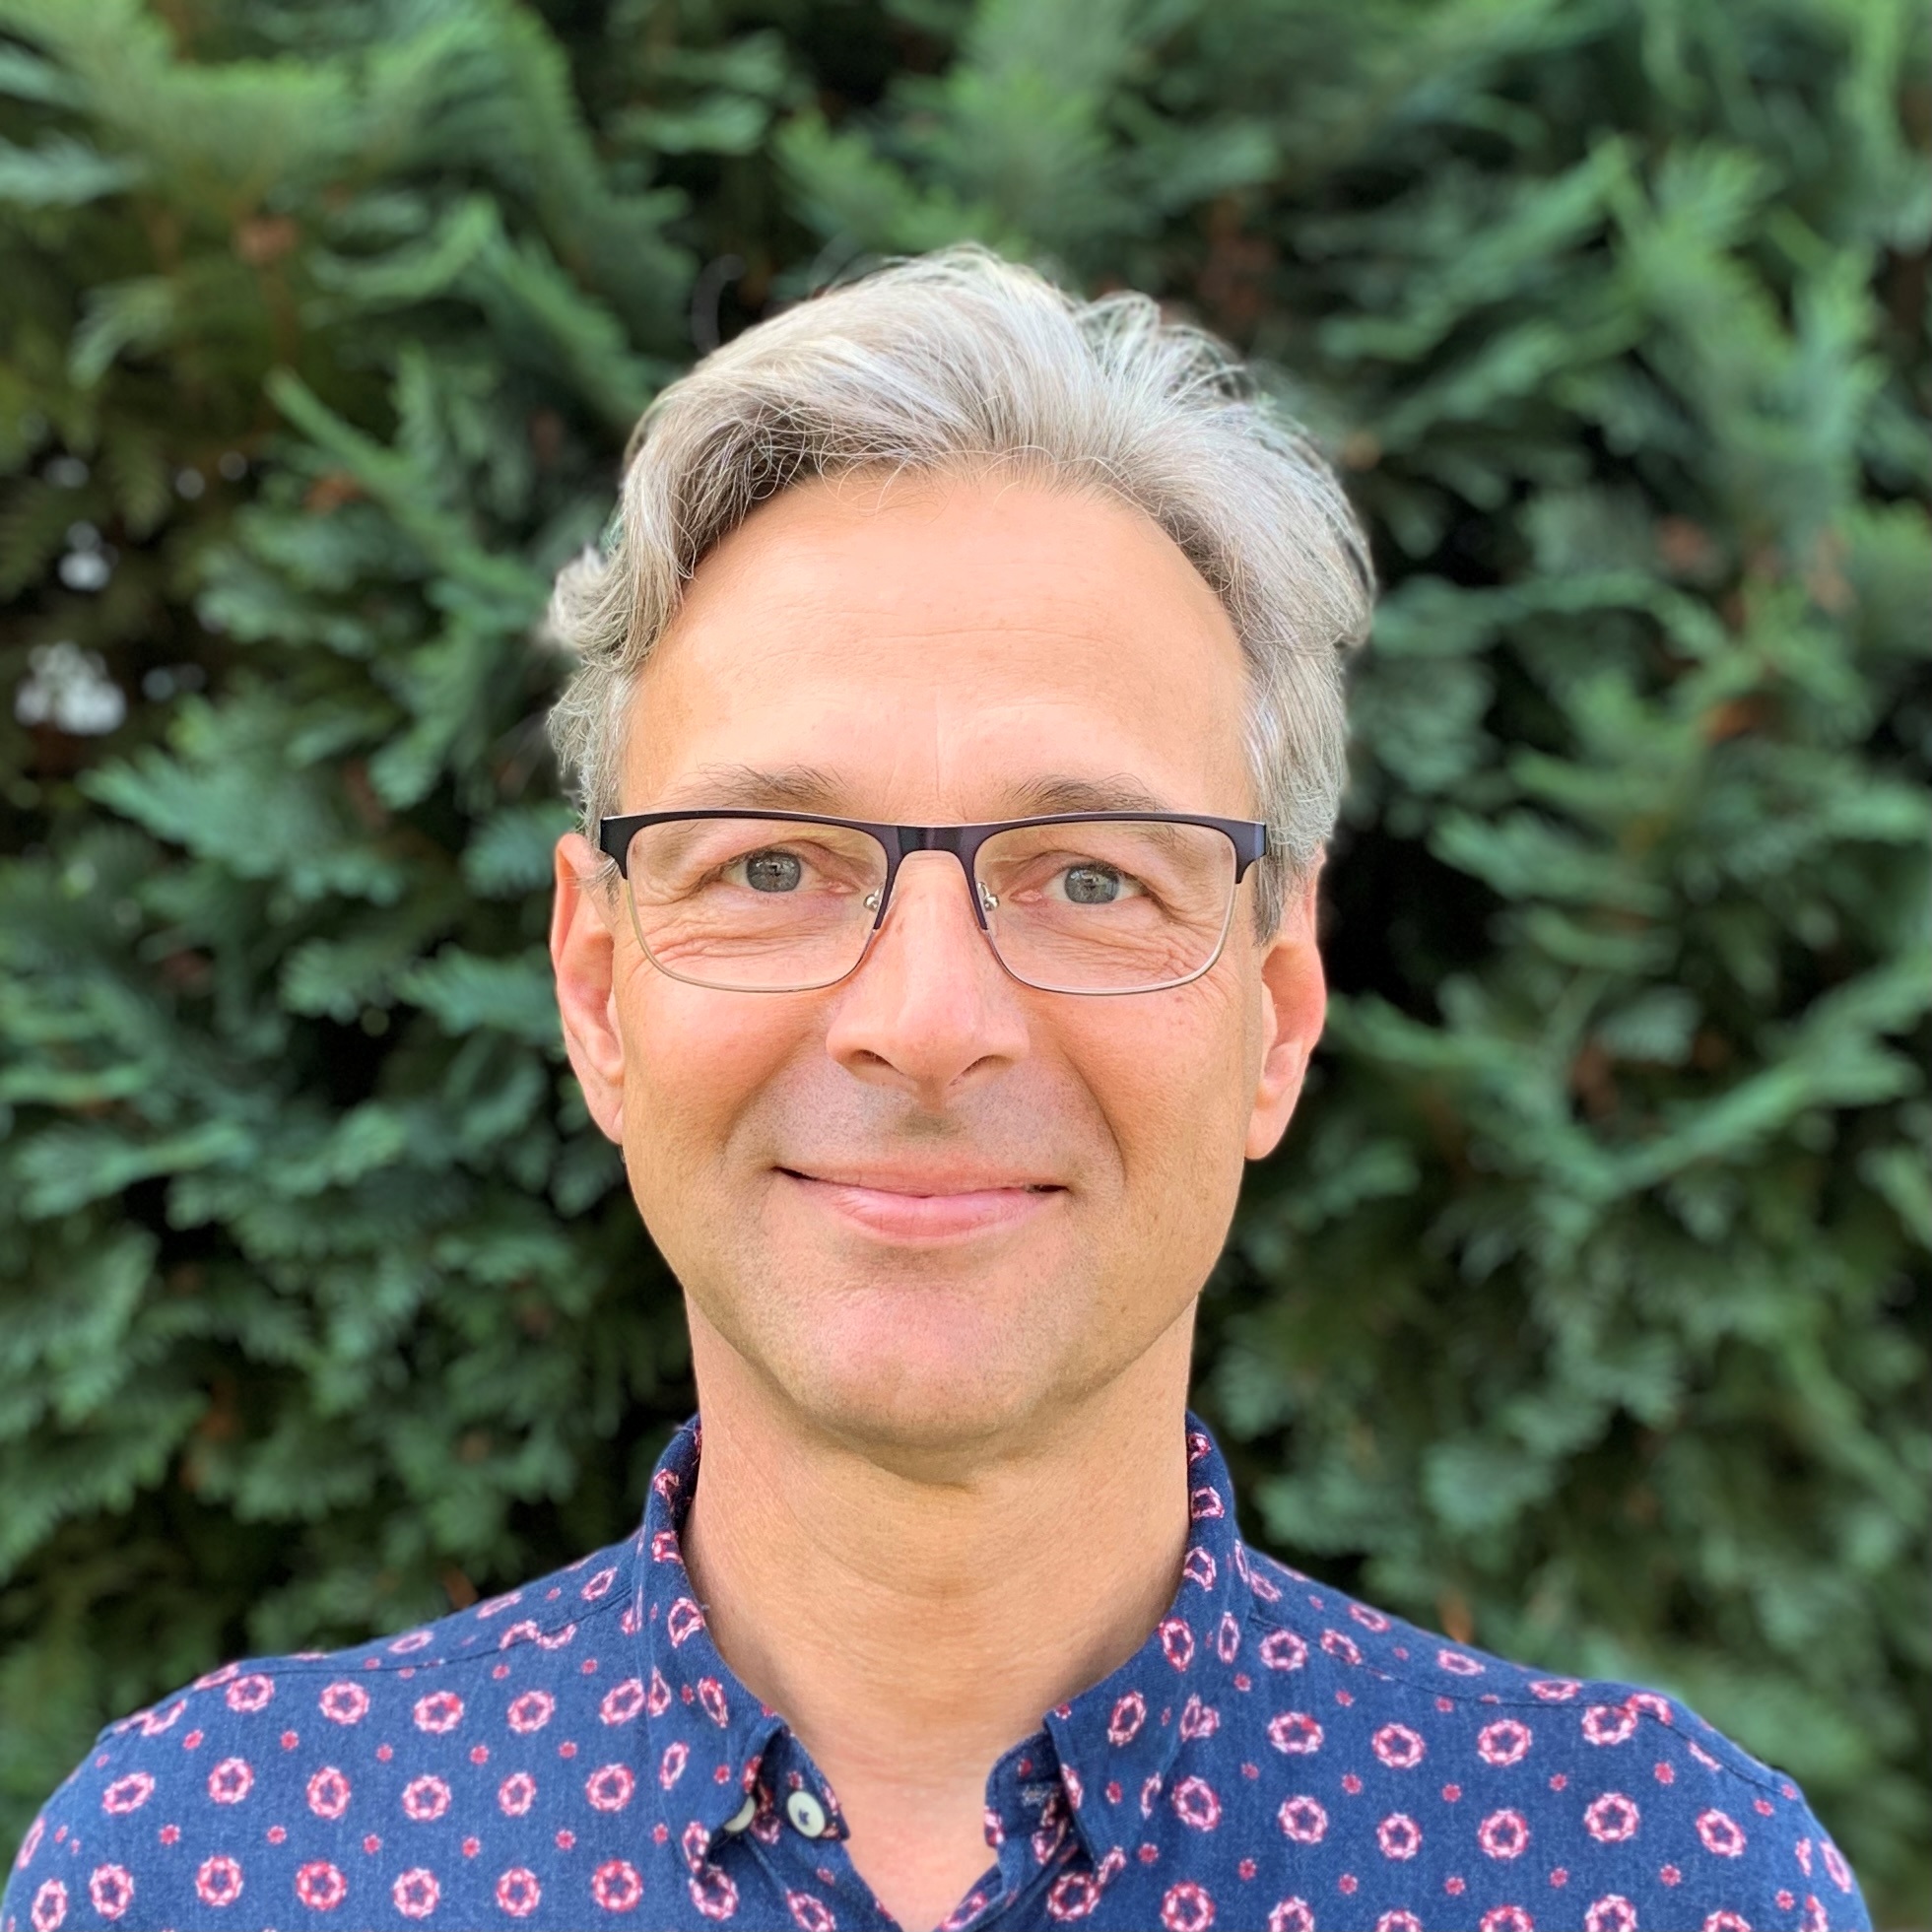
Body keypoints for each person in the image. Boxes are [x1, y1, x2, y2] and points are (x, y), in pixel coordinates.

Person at [6, 248, 1868, 1932]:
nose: (924, 1018)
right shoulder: (208, 1871)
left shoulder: (1648, 1883)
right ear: (595, 989)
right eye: (769, 863)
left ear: (1276, 1010)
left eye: (1090, 877)